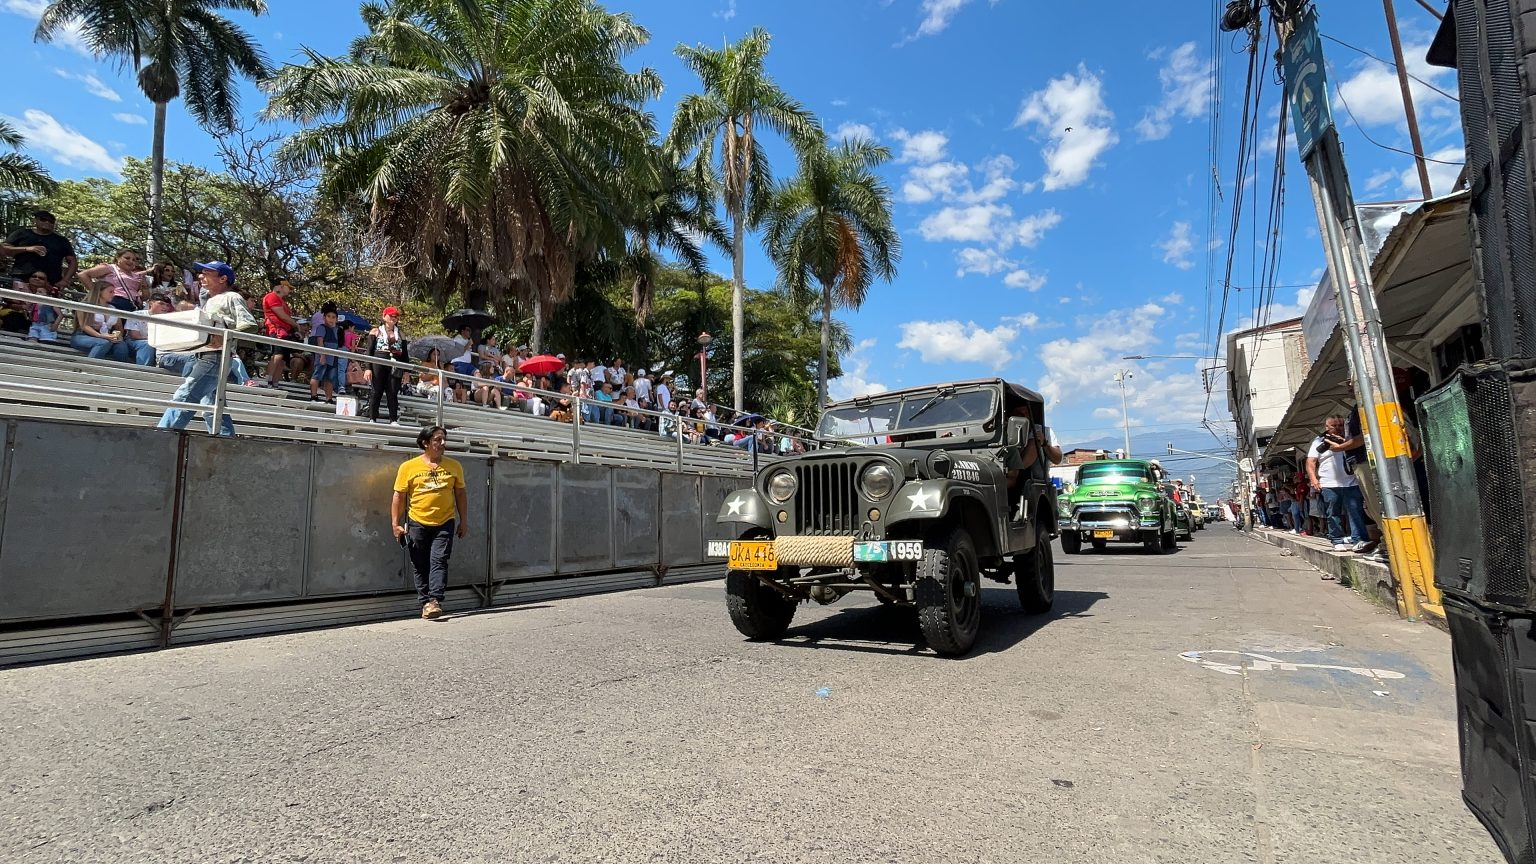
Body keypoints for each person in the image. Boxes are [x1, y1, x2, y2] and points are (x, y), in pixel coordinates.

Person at [156, 261, 259, 436]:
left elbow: (249, 324)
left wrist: (225, 336)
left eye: (207, 273)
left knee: (186, 395)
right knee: (212, 406)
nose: (200, 276)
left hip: (216, 355)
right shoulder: (209, 300)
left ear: (223, 278)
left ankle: (162, 434)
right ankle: (226, 440)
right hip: (205, 354)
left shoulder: (231, 297)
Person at [391, 426, 468, 620]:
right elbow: (399, 496)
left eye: (444, 439)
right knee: (420, 563)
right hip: (417, 522)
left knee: (439, 560)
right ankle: (425, 602)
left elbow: (460, 494)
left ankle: (434, 600)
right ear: (425, 443)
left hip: (445, 521)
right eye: (438, 440)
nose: (443, 443)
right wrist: (395, 523)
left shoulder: (454, 466)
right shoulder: (408, 467)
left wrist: (463, 521)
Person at [1308, 414, 1371, 557]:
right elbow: (1311, 462)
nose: (1338, 428)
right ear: (1326, 427)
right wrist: (1314, 480)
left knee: (1356, 511)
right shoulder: (1319, 441)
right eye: (1334, 426)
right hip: (1329, 483)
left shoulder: (1350, 438)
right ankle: (1337, 540)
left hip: (1351, 481)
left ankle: (1359, 540)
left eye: (1341, 425)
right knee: (1333, 513)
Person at [3, 210, 76, 297]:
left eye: (51, 221)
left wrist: (65, 280)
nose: (47, 222)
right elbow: (4, 249)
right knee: (19, 303)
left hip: (50, 283)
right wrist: (27, 249)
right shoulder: (22, 233)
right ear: (35, 220)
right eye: (43, 219)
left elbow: (72, 261)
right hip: (22, 278)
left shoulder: (61, 241)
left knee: (44, 306)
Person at [367, 307, 408, 424]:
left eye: (396, 316)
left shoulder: (400, 334)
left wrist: (406, 371)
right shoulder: (375, 331)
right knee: (376, 390)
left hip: (395, 362)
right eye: (391, 316)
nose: (393, 318)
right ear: (384, 316)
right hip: (379, 361)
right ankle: (372, 417)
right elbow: (369, 351)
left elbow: (405, 354)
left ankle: (393, 419)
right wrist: (368, 368)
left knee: (393, 391)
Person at [70, 282, 129, 361]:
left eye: (113, 292)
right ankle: (88, 366)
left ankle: (120, 368)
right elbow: (84, 326)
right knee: (102, 343)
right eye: (110, 292)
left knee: (122, 346)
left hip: (106, 337)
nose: (113, 295)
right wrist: (101, 336)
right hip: (83, 336)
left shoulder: (113, 309)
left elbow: (119, 328)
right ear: (100, 291)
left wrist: (117, 336)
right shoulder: (85, 305)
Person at [261, 280, 303, 386]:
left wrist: (293, 330)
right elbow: (282, 315)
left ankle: (275, 382)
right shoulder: (272, 296)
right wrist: (296, 325)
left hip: (285, 331)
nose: (290, 290)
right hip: (276, 330)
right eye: (289, 287)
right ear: (281, 286)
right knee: (277, 355)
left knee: (283, 358)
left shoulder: (282, 301)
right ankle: (268, 380)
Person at [308, 306, 342, 402]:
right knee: (317, 375)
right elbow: (320, 341)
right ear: (324, 318)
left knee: (330, 378)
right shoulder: (321, 327)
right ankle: (313, 395)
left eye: (333, 317)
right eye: (329, 316)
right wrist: (322, 355)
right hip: (323, 355)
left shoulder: (337, 330)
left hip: (333, 356)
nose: (331, 319)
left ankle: (329, 398)